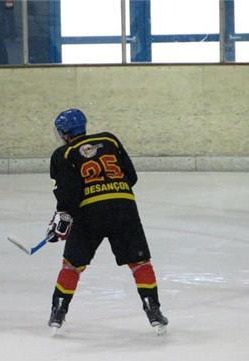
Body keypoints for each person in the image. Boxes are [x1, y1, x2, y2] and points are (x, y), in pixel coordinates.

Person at [44, 108, 168, 335]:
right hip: (124, 206)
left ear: (63, 133)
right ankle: (154, 311)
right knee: (140, 263)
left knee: (72, 265)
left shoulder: (63, 154)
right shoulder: (109, 140)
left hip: (89, 213)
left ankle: (58, 313)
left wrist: (61, 219)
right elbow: (131, 176)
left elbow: (69, 195)